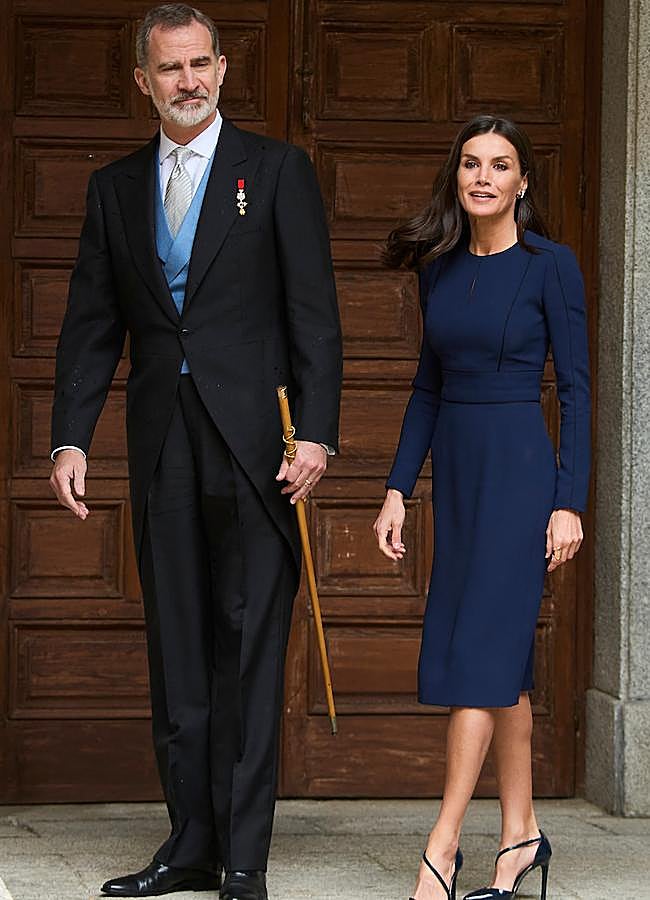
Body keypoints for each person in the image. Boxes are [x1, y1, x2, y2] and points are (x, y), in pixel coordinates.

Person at [49, 4, 342, 899]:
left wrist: (320, 433)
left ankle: (244, 859)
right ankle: (189, 847)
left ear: (223, 67)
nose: (190, 81)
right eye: (171, 68)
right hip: (163, 447)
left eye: (202, 63)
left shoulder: (277, 172)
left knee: (248, 652)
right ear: (144, 80)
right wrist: (71, 435)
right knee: (177, 649)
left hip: (260, 450)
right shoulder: (114, 188)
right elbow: (93, 325)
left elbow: (314, 317)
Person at [373, 115, 590, 900]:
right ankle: (521, 835)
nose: (484, 177)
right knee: (502, 667)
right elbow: (426, 388)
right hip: (458, 479)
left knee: (478, 665)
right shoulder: (438, 270)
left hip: (521, 473)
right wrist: (398, 488)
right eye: (471, 164)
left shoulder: (550, 267)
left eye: (500, 165)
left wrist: (569, 503)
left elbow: (575, 391)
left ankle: (443, 841)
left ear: (522, 181)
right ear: (457, 177)